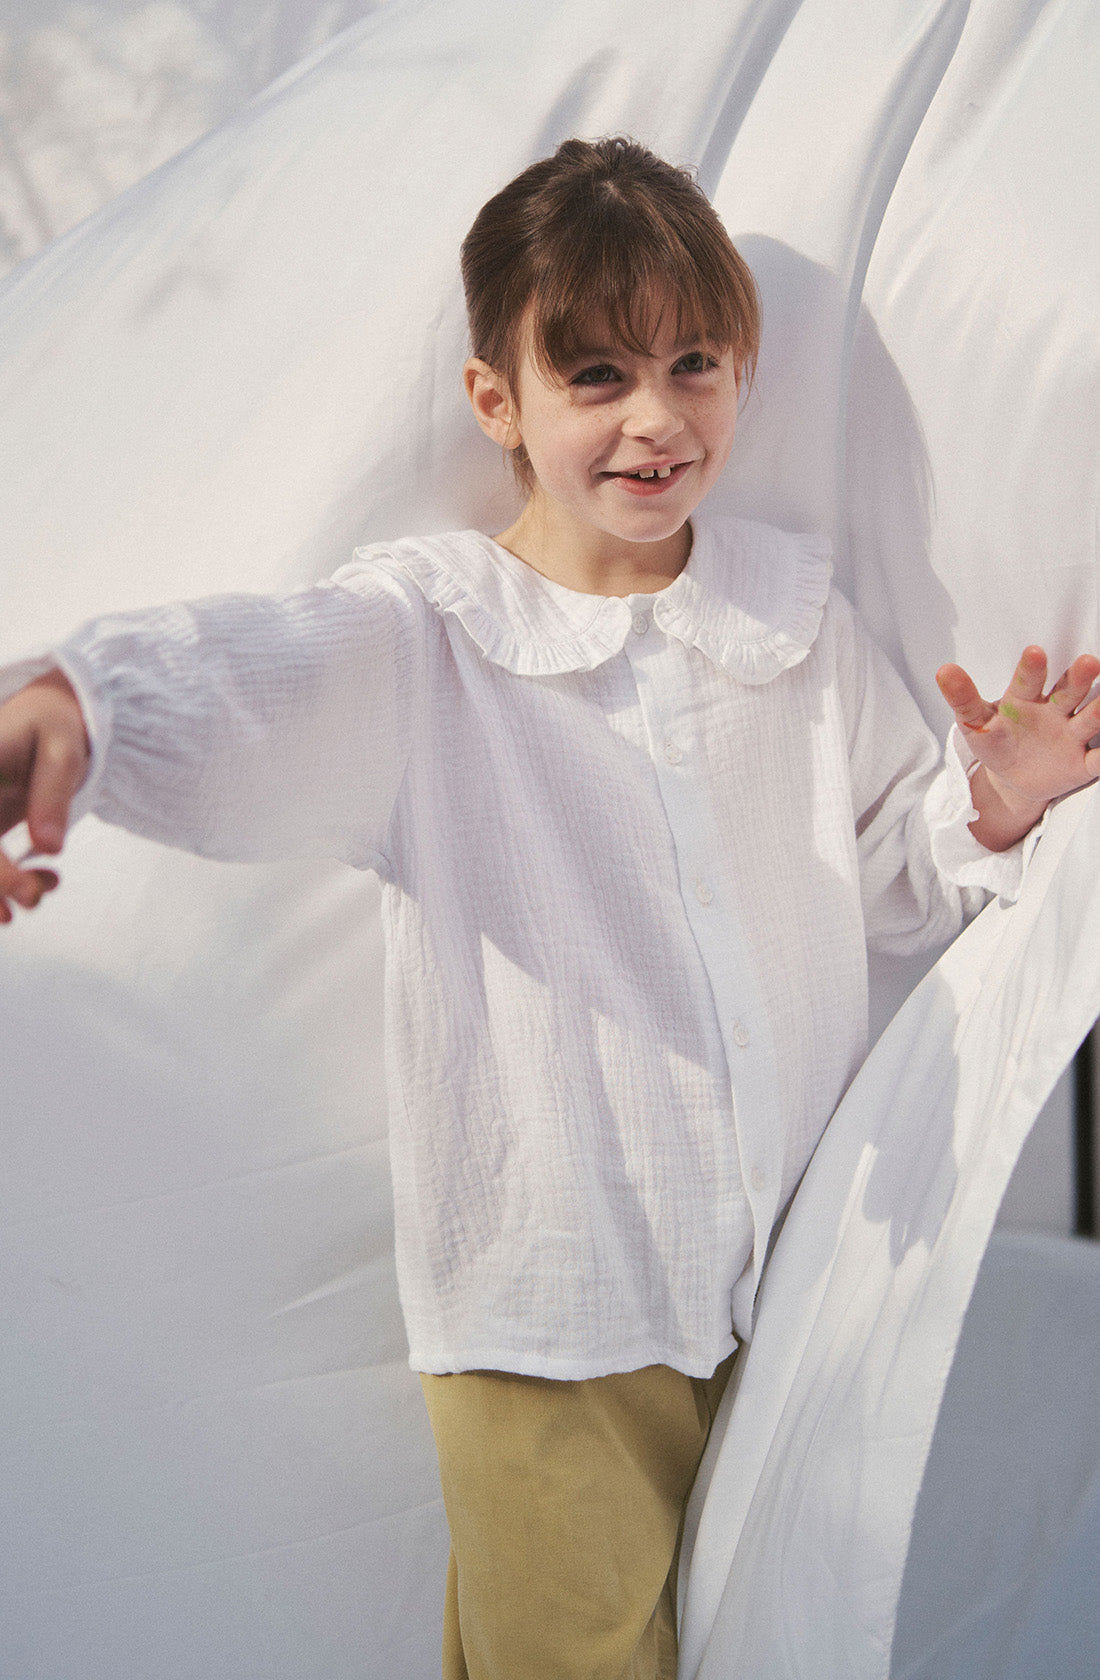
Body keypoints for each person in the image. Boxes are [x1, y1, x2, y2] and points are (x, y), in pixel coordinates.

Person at [0, 137, 1097, 1680]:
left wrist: (990, 798)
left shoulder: (790, 622)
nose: (655, 418)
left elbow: (894, 875)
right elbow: (258, 673)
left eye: (693, 363)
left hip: (772, 1292)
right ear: (497, 403)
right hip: (556, 1314)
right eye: (595, 374)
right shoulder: (435, 637)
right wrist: (78, 705)